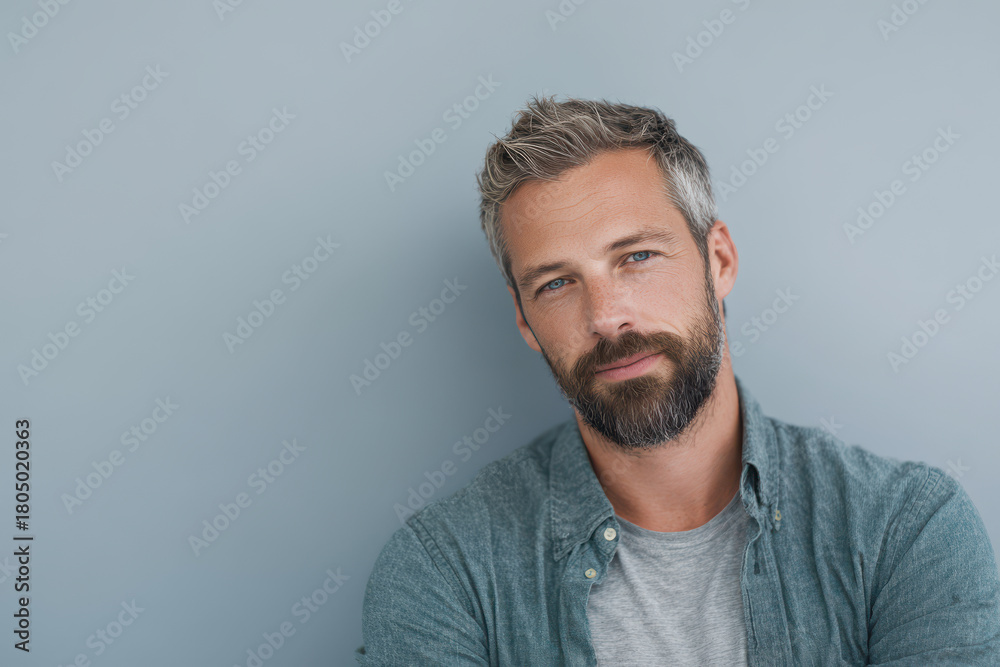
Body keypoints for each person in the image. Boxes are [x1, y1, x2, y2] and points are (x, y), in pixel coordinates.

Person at [355, 95, 1000, 665]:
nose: (605, 317)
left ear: (718, 261)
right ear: (525, 319)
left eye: (637, 256)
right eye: (556, 283)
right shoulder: (444, 573)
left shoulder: (906, 532)